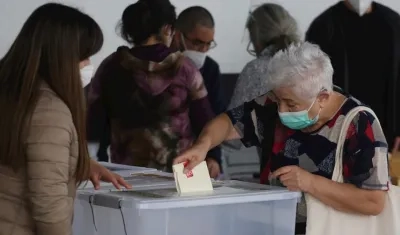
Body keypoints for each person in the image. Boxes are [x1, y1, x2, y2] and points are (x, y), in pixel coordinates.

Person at [174, 42, 389, 230]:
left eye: (291, 104)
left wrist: (310, 183)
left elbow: (373, 201)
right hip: (273, 225)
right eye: (278, 101)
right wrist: (203, 145)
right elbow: (228, 122)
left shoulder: (359, 123)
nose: (281, 111)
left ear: (322, 97)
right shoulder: (274, 103)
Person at [0, 3, 130, 235]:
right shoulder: (49, 110)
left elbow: (21, 157)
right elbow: (49, 207)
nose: (88, 66)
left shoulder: (13, 92)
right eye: (84, 57)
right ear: (61, 56)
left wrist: (79, 163)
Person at [87, 0, 219, 177]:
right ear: (167, 29)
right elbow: (205, 119)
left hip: (125, 173)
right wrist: (213, 157)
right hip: (182, 171)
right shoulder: (185, 68)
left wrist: (96, 163)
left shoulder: (111, 66)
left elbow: (94, 123)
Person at [306, 0, 400, 149]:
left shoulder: (394, 23)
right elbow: (312, 84)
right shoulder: (323, 26)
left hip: (387, 129)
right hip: (339, 130)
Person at [226, 3, 301, 177]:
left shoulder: (256, 70)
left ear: (255, 38)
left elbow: (232, 126)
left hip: (279, 173)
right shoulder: (313, 63)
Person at [172, 6, 225, 174]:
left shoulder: (210, 68)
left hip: (198, 157)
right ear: (178, 35)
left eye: (208, 44)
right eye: (197, 43)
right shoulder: (162, 67)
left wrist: (214, 157)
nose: (202, 50)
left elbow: (216, 115)